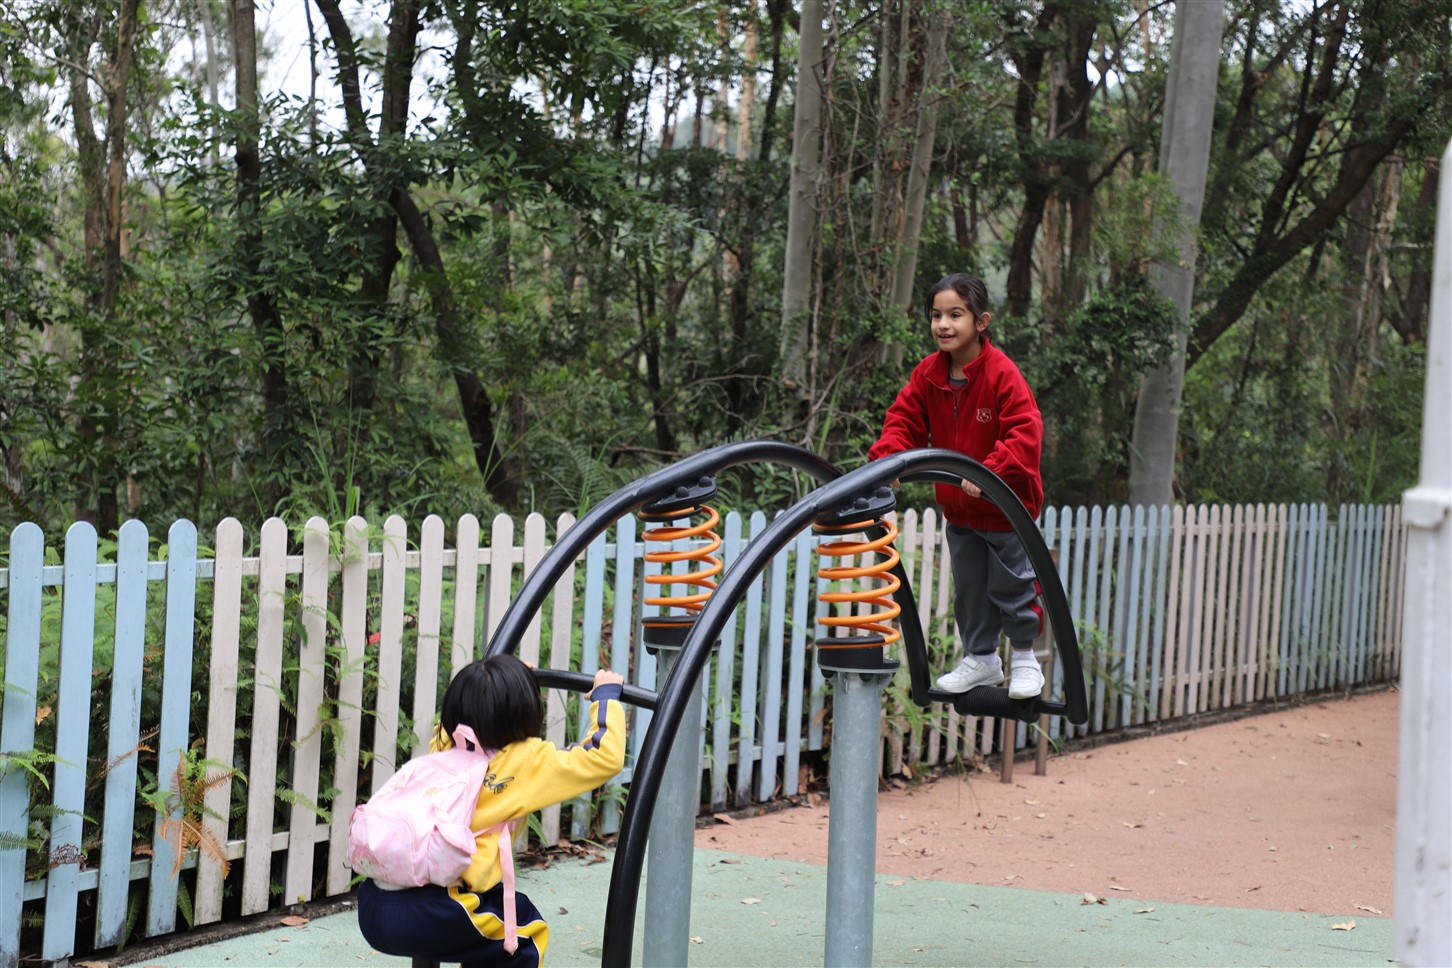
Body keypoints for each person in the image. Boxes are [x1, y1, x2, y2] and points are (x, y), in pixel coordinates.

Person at [357, 654, 627, 967]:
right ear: (526, 712)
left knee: (495, 921)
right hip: (436, 909)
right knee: (523, 937)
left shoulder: (446, 745)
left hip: (373, 905)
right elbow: (601, 757)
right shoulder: (523, 761)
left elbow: (459, 717)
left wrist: (509, 680)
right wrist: (606, 697)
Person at [868, 273, 1046, 700]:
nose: (943, 325)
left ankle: (1025, 658)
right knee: (970, 588)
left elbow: (1026, 431)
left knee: (1012, 584)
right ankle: (982, 659)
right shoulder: (929, 374)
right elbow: (903, 420)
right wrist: (890, 459)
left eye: (955, 315)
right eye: (936, 316)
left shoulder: (1001, 373)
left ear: (981, 322)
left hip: (1004, 507)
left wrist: (990, 471)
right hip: (960, 508)